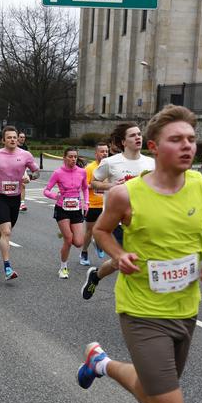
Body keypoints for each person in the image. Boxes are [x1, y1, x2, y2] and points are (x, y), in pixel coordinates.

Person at [77, 105, 202, 403]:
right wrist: (118, 256)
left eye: (191, 139)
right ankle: (101, 363)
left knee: (153, 396)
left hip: (186, 310)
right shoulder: (126, 195)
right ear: (154, 148)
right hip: (141, 310)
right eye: (176, 139)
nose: (188, 146)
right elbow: (102, 231)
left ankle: (100, 363)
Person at [81, 123, 156, 300]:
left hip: (144, 220)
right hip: (117, 221)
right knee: (132, 260)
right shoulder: (110, 162)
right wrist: (112, 186)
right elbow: (94, 183)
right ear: (123, 141)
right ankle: (137, 301)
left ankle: (96, 276)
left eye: (139, 134)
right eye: (132, 135)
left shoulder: (151, 163)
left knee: (119, 261)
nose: (138, 137)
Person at [0, 126, 40, 280]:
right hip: (0, 196)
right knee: (7, 232)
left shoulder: (25, 155)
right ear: (3, 140)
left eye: (15, 137)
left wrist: (30, 177)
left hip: (15, 197)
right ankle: (7, 268)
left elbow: (36, 171)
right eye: (9, 137)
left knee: (6, 229)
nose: (13, 140)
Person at [43, 147, 89, 279]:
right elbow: (46, 190)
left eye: (75, 156)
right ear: (64, 158)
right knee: (68, 240)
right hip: (62, 208)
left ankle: (65, 231)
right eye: (70, 156)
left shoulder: (82, 172)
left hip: (76, 209)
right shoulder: (58, 173)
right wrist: (54, 196)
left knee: (79, 242)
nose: (73, 159)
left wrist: (86, 203)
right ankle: (63, 268)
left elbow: (85, 189)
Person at [80, 142, 109, 266]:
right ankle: (84, 252)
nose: (104, 154)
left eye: (106, 151)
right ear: (96, 153)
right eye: (102, 151)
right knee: (90, 230)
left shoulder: (111, 166)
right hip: (92, 204)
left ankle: (98, 243)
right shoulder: (90, 168)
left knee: (107, 229)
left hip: (107, 204)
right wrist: (97, 184)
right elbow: (84, 185)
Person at [18, 131, 29, 211]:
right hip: (14, 168)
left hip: (23, 168)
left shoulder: (25, 147)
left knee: (23, 185)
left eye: (23, 137)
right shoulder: (15, 146)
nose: (22, 139)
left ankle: (22, 203)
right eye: (21, 137)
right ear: (18, 138)